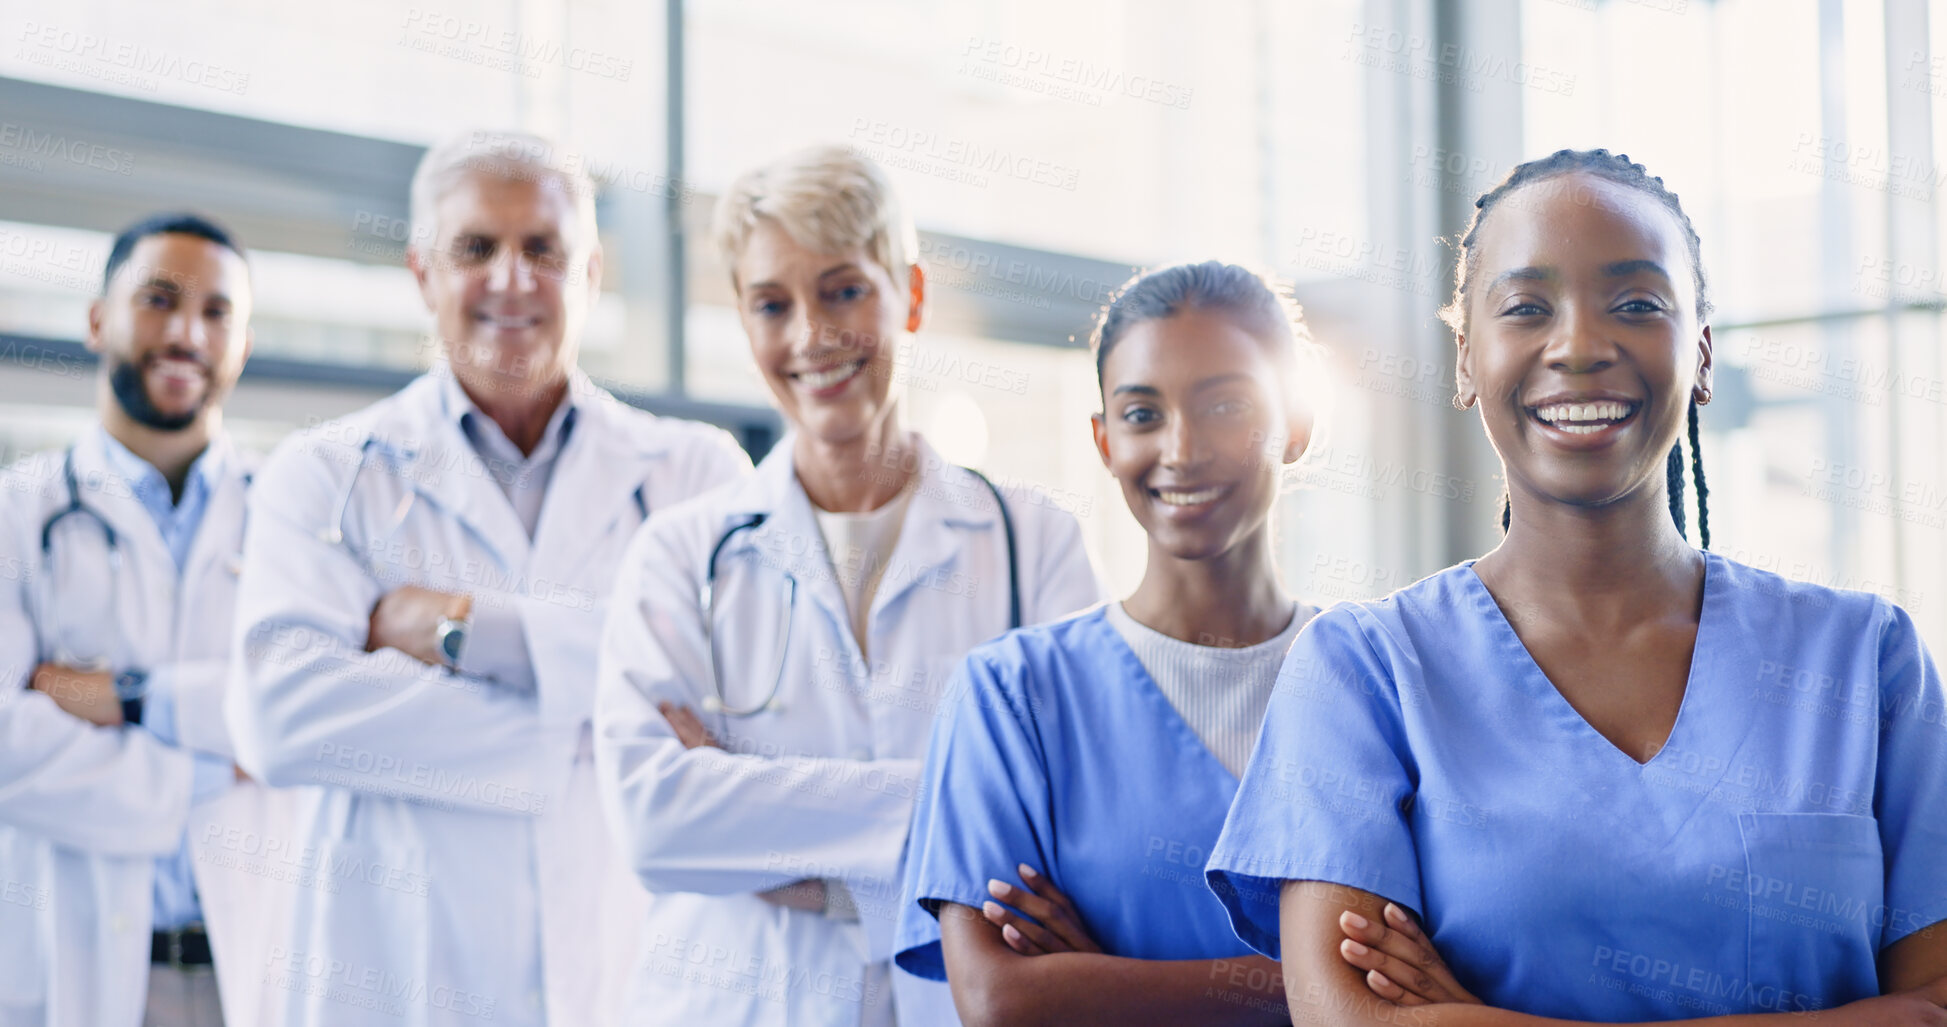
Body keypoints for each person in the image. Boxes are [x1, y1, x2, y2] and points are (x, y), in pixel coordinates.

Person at [1206, 149, 1947, 1023]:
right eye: (1525, 308)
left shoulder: (1864, 659)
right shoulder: (1363, 671)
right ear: (1464, 360)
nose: (1580, 346)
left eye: (1635, 304)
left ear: (1701, 356)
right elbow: (1350, 1018)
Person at [225, 130, 751, 1027]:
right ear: (422, 272)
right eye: (476, 248)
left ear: (590, 275)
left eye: (543, 249)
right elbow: (278, 718)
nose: (512, 279)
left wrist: (456, 630)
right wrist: (609, 723)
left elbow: (739, 699)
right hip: (398, 986)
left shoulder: (696, 474)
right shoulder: (325, 472)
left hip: (641, 983)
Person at [593, 144, 1102, 1027]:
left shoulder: (1035, 542)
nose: (808, 336)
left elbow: (1071, 820)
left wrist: (764, 825)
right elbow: (653, 823)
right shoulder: (680, 555)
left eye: (842, 290)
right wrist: (950, 817)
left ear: (908, 293)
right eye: (771, 304)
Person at [893, 261, 1318, 1026]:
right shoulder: (1012, 693)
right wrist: (1315, 984)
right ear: (1101, 439)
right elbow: (999, 1000)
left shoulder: (1373, 677)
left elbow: (1458, 964)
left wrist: (1101, 981)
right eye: (1141, 414)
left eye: (1224, 404)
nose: (1181, 450)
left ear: (1294, 423)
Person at [0, 213, 278, 1026]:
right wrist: (217, 764)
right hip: (77, 969)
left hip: (253, 966)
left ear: (244, 344)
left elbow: (314, 709)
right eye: (158, 299)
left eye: (217, 311)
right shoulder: (18, 512)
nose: (186, 332)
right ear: (98, 320)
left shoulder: (296, 517)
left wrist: (123, 697)